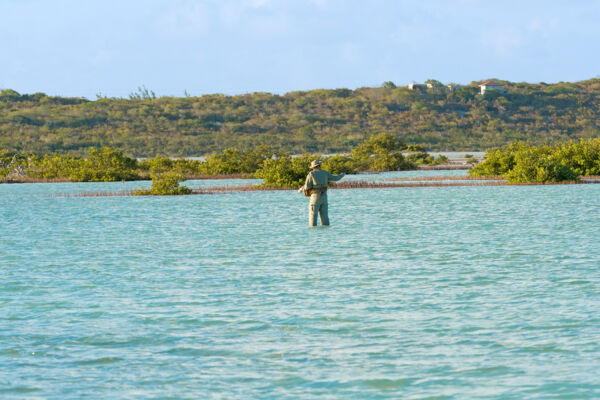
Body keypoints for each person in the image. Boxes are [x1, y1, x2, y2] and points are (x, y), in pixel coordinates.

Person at [298, 160, 345, 227]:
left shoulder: (311, 174)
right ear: (319, 166)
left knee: (313, 217)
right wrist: (342, 175)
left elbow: (307, 187)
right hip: (324, 197)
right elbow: (336, 178)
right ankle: (325, 235)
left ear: (313, 167)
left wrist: (301, 189)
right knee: (325, 218)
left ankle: (314, 235)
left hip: (315, 197)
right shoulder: (325, 173)